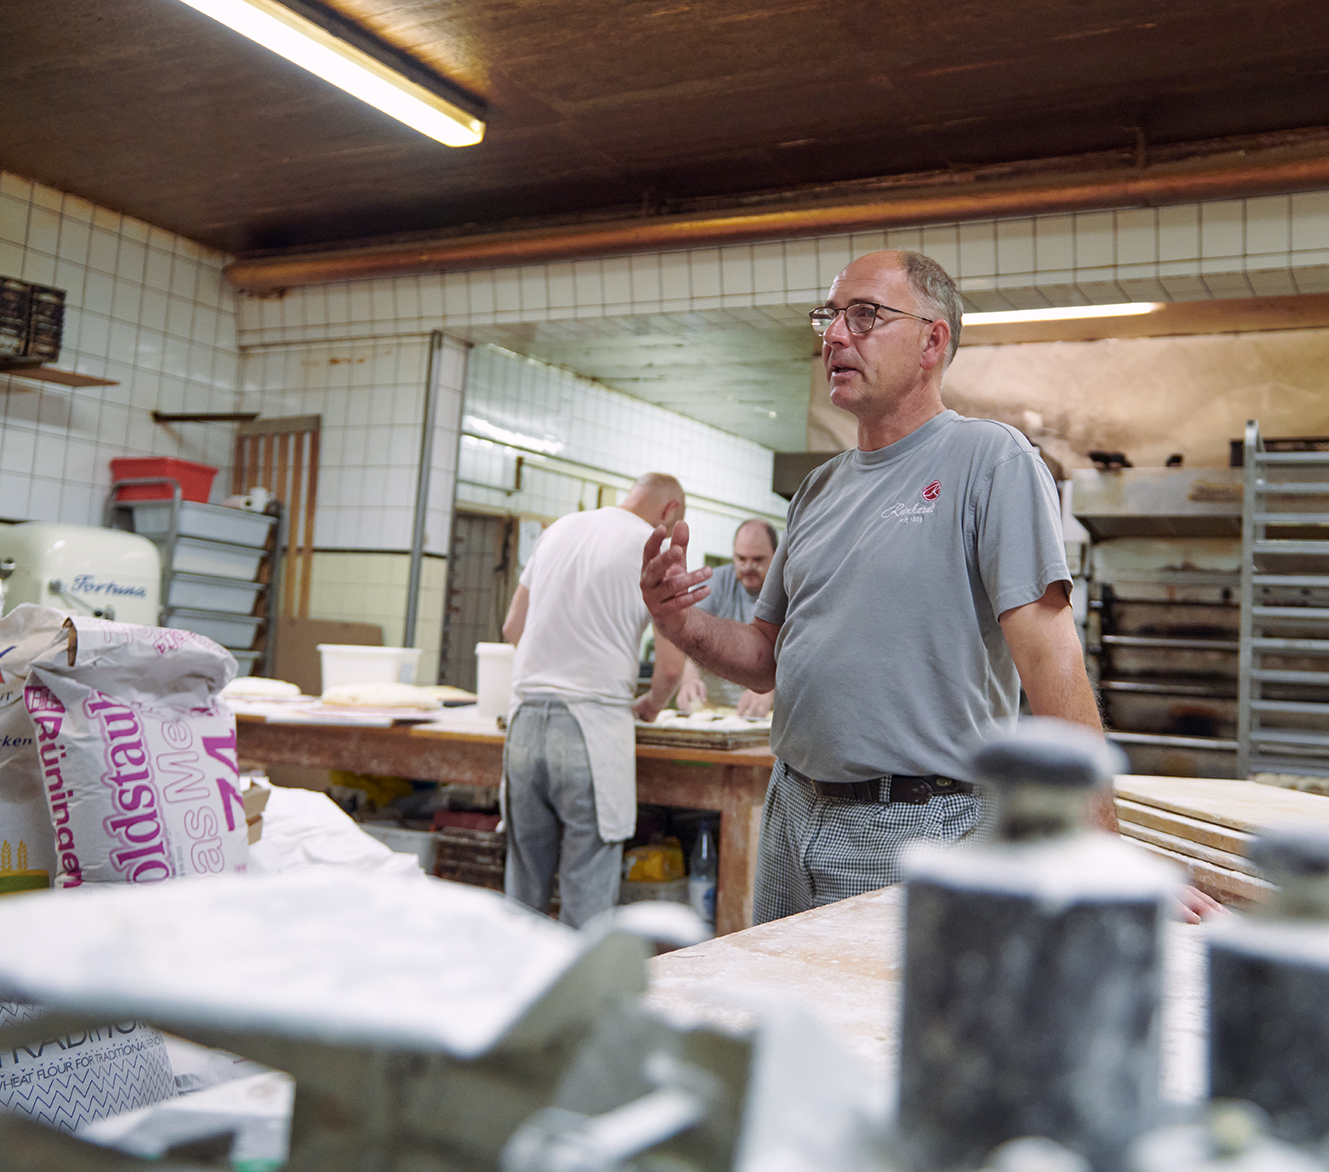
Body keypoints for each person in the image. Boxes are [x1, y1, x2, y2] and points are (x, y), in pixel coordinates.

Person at [640, 250, 1222, 925]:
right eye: (830, 317)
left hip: (919, 824)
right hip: (791, 810)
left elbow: (1053, 662)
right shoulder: (817, 490)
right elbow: (768, 656)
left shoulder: (991, 460)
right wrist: (682, 624)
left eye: (865, 315)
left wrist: (1102, 850)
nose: (835, 335)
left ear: (932, 341)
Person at [500, 472, 689, 926]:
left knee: (522, 899)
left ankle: (518, 973)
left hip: (523, 726)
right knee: (586, 904)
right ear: (669, 511)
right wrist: (651, 705)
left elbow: (512, 629)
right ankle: (580, 977)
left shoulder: (559, 529)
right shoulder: (654, 549)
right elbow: (670, 668)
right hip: (592, 732)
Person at [675, 518, 778, 718]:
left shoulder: (788, 591)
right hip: (713, 709)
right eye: (741, 558)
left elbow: (798, 656)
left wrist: (769, 692)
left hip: (766, 715)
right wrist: (689, 679)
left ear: (776, 556)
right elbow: (691, 637)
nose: (748, 566)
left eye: (758, 560)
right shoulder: (715, 583)